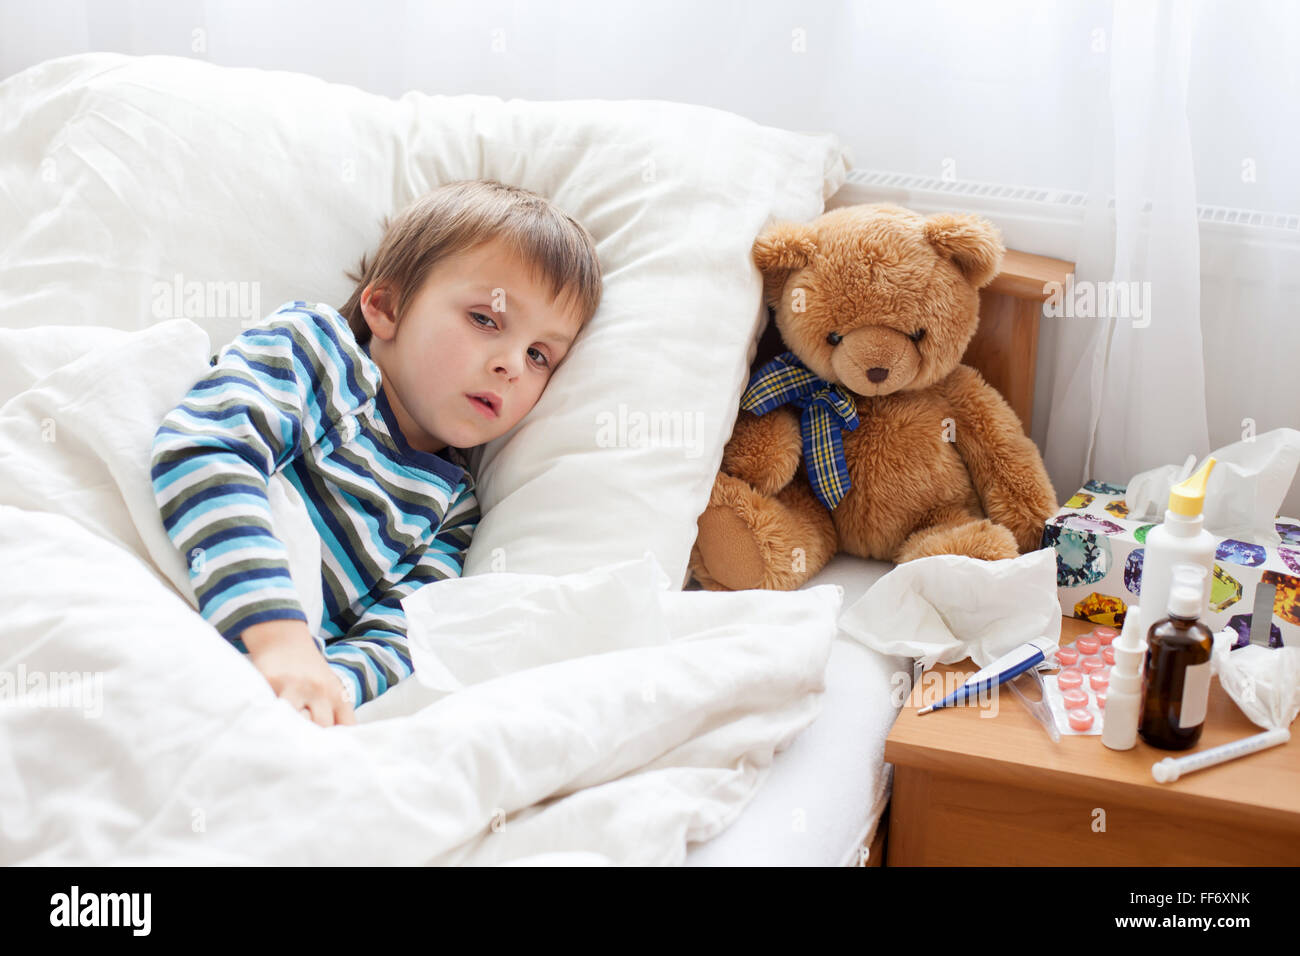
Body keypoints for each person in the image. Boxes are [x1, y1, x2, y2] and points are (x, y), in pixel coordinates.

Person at [150, 180, 602, 726]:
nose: (510, 363)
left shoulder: (451, 513)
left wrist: (320, 694)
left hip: (259, 681)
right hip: (173, 577)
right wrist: (277, 638)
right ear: (386, 307)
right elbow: (208, 451)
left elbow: (398, 635)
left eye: (539, 354)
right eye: (485, 319)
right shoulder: (315, 352)